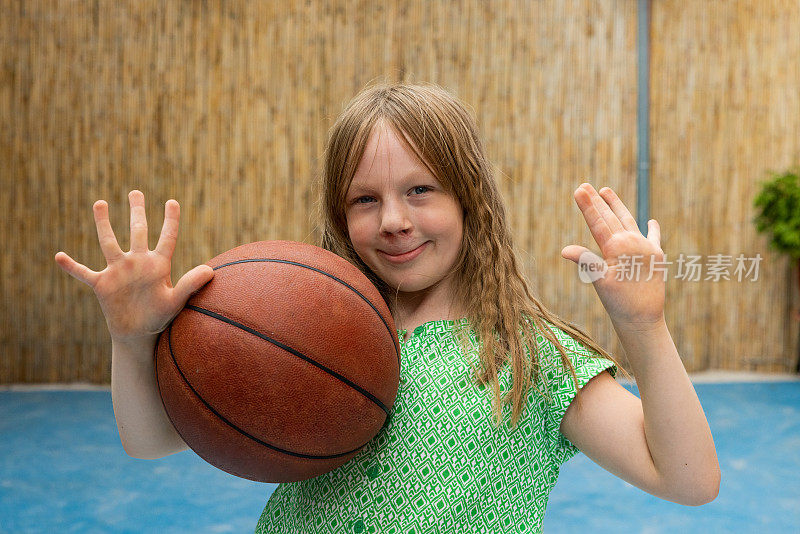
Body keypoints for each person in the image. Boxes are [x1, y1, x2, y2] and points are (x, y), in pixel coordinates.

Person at [55, 82, 720, 533]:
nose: (395, 220)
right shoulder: (303, 332)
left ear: (470, 201)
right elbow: (149, 442)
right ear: (341, 217)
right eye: (365, 199)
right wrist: (133, 337)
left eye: (421, 189)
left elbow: (688, 479)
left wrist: (643, 325)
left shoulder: (526, 354)